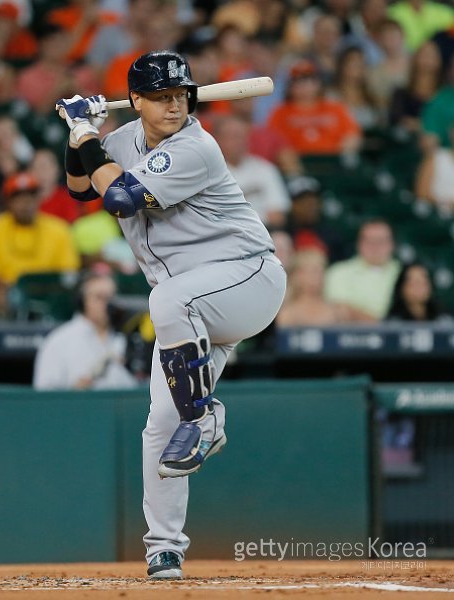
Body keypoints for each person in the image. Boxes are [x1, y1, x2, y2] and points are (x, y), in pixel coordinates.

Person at [56, 50, 286, 579]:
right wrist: (78, 137)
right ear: (135, 101)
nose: (174, 105)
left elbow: (118, 197)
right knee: (161, 425)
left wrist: (87, 133)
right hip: (192, 310)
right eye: (161, 97)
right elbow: (77, 189)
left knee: (167, 303)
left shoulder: (196, 146)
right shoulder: (120, 142)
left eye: (180, 94)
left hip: (246, 278)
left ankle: (205, 416)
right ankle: (165, 549)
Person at [0, 171, 80, 320]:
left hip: (50, 294)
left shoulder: (59, 229)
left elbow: (68, 272)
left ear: (39, 199)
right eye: (18, 198)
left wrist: (35, 288)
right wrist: (16, 289)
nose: (26, 203)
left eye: (31, 197)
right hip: (9, 293)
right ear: (7, 202)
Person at [33, 268, 139, 390]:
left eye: (111, 298)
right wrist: (74, 392)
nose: (108, 304)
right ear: (82, 301)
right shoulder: (59, 341)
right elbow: (44, 397)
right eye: (100, 297)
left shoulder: (125, 339)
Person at [212, 114, 290, 229]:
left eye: (241, 136)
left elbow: (277, 215)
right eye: (231, 136)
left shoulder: (265, 169)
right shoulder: (208, 173)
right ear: (216, 139)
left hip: (263, 231)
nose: (238, 142)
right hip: (222, 234)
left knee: (281, 240)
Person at [276, 248, 376, 326]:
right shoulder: (287, 313)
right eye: (311, 271)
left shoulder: (337, 310)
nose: (317, 276)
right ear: (297, 276)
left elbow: (374, 323)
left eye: (320, 271)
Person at [325, 219, 401, 319]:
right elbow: (341, 310)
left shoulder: (404, 272)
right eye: (369, 241)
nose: (375, 246)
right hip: (353, 333)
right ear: (359, 244)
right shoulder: (339, 271)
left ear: (392, 244)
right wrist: (384, 327)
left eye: (381, 241)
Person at [385, 261, 451, 321]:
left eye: (423, 282)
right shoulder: (393, 323)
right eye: (414, 283)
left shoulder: (444, 318)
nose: (419, 287)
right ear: (401, 287)